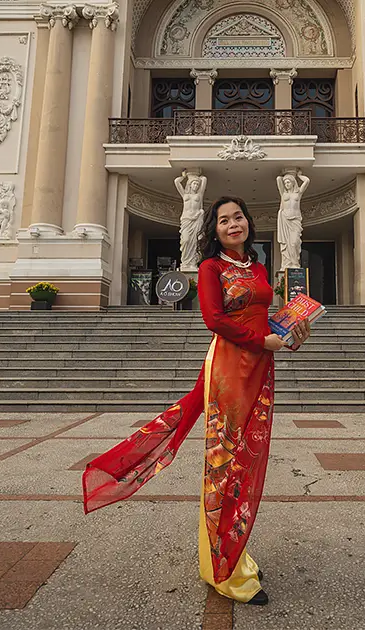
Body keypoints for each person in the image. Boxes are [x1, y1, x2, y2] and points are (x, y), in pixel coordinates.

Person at [82, 196, 311, 607]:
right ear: (215, 230)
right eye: (224, 220)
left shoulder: (258, 268)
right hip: (228, 370)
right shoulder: (211, 268)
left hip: (260, 368)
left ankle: (233, 551)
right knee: (225, 465)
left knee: (248, 459)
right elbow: (215, 320)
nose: (233, 224)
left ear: (248, 222)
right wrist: (263, 340)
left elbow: (267, 318)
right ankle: (223, 571)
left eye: (238, 216)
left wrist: (291, 333)